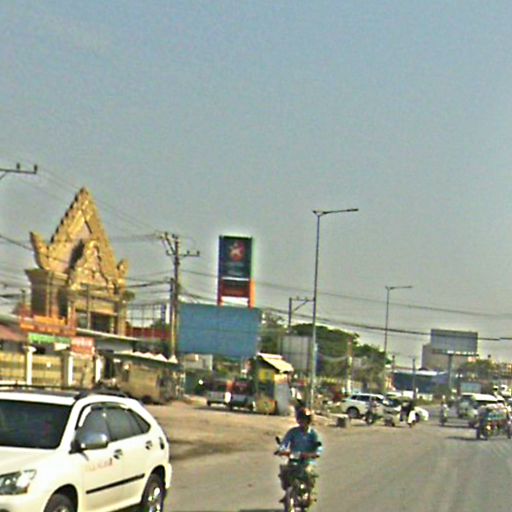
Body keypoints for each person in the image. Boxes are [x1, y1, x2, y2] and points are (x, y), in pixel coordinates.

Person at [276, 407, 322, 505]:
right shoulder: (293, 432)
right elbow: (285, 442)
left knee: (308, 473)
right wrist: (281, 450)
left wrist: (315, 453)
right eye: (300, 419)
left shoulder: (313, 434)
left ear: (309, 420)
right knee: (285, 472)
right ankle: (288, 492)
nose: (302, 422)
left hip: (307, 460)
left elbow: (319, 446)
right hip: (294, 459)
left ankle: (309, 493)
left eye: (304, 419)